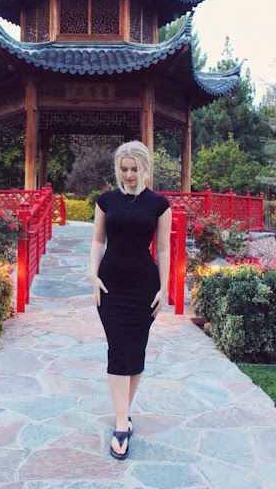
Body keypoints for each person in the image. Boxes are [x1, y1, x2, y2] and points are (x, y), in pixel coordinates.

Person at [90, 140, 172, 460]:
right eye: (123, 169)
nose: (128, 174)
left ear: (145, 168)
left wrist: (164, 288)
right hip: (110, 286)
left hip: (143, 287)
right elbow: (98, 241)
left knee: (136, 350)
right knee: (118, 349)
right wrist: (93, 276)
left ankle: (122, 415)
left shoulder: (159, 205)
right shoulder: (106, 200)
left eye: (134, 169)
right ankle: (122, 423)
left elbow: (162, 248)